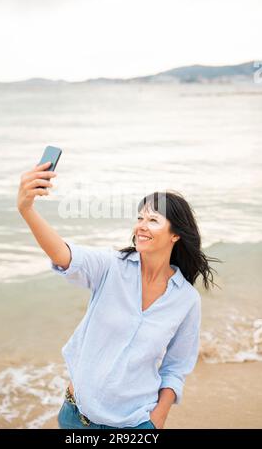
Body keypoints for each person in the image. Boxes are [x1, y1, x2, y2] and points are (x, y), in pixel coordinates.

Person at [17, 162, 220, 429]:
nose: (141, 226)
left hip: (135, 424)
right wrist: (27, 209)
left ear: (175, 236)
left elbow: (176, 367)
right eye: (140, 218)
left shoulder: (185, 300)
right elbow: (64, 255)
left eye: (153, 220)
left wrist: (157, 419)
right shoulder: (111, 266)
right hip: (77, 418)